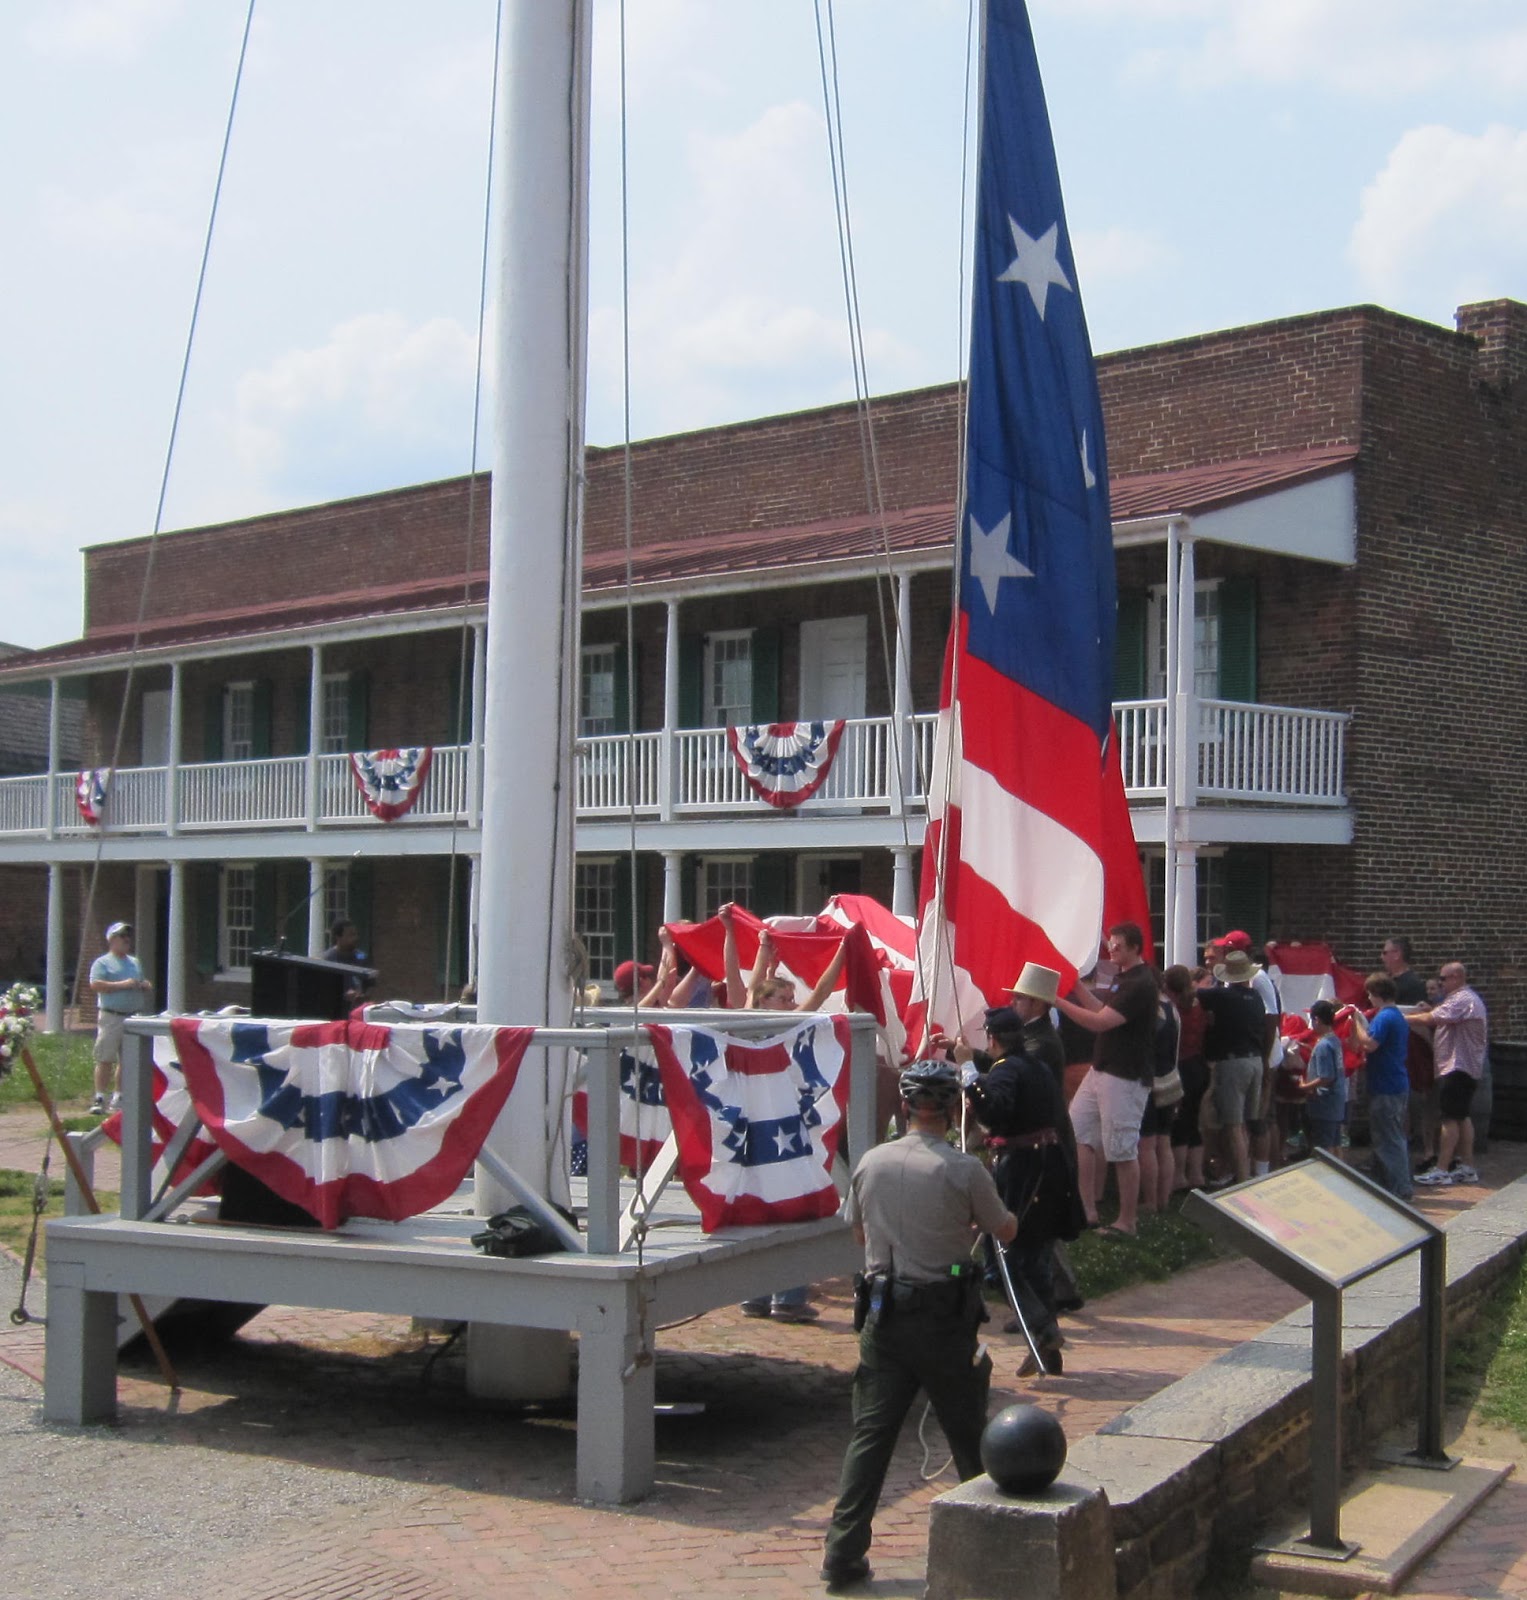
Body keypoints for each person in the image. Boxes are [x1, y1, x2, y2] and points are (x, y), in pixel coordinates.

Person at [820, 1060, 1016, 1590]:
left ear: (906, 1108)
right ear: (952, 1111)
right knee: (968, 1438)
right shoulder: (964, 1168)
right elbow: (1005, 1228)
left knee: (870, 1437)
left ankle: (842, 1552)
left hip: (884, 1315)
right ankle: (992, 1548)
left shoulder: (871, 1162)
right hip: (944, 1318)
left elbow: (858, 1235)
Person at [962, 1002, 1084, 1372]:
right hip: (1048, 1167)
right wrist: (974, 1060)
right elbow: (1005, 1073)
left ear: (993, 1038)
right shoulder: (1035, 1065)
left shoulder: (1009, 1070)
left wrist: (969, 1072)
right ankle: (1045, 1346)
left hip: (1023, 1171)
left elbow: (993, 1109)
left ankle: (1043, 1331)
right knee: (1038, 1261)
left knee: (1003, 1260)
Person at [1053, 923, 1158, 1237]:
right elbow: (1102, 1009)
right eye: (1110, 945)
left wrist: (1057, 1000)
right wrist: (1073, 985)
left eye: (1118, 946)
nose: (1111, 951)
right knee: (1078, 1130)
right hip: (1102, 1069)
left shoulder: (1140, 983)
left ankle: (1127, 1222)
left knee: (1122, 1148)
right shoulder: (1126, 979)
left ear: (1135, 948)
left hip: (1124, 1075)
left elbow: (1100, 1023)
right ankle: (1088, 1209)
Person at [1408, 962, 1487, 1187]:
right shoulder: (1459, 1000)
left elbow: (1431, 1019)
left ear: (1456, 978)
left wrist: (1399, 1017)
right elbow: (1437, 1014)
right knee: (1461, 1116)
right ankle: (1467, 1166)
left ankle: (1442, 1169)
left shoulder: (1463, 999)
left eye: (1443, 978)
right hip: (1463, 1067)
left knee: (1450, 1118)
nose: (1440, 982)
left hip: (1457, 1067)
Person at [1195, 950, 1267, 1185]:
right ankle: (1241, 1172)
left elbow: (1193, 994)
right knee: (1246, 1122)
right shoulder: (1256, 997)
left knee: (1233, 1125)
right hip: (1255, 1060)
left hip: (1233, 1062)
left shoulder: (1223, 997)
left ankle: (1243, 1180)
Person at [1347, 974, 1413, 1201]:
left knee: (1390, 1138)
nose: (1368, 998)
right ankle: (1388, 1184)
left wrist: (1355, 1021)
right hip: (1392, 1083)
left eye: (1369, 994)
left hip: (1388, 1086)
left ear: (1377, 994)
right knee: (1387, 1136)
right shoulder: (1394, 1016)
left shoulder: (1385, 1017)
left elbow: (1370, 1044)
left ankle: (1400, 1188)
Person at [88, 921, 152, 1114]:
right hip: (111, 1016)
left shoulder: (134, 962)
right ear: (112, 940)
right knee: (105, 1057)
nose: (126, 940)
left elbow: (139, 981)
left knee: (127, 1058)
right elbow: (96, 985)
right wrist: (123, 984)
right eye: (122, 937)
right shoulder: (102, 963)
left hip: (132, 1016)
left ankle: (120, 1096)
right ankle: (100, 1096)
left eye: (128, 937)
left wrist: (144, 985)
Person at [1165, 965, 1209, 1191]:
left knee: (1179, 1124)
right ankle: (1197, 1174)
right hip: (1199, 1066)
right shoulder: (1200, 1006)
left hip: (1181, 1066)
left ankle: (1179, 1176)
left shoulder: (1174, 1009)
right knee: (1193, 1121)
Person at [1298, 1000, 1348, 1157]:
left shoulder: (1323, 1046)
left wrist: (1305, 1086)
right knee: (1335, 1142)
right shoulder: (1334, 1041)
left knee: (1323, 1148)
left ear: (1317, 1020)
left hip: (1324, 1103)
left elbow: (1326, 1077)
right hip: (1337, 1101)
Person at [320, 919, 374, 1009]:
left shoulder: (362, 957)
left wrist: (363, 996)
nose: (355, 938)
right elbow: (323, 989)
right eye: (351, 935)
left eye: (356, 934)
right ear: (338, 937)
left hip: (358, 1011)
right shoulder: (328, 959)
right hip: (336, 1011)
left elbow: (371, 985)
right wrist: (343, 995)